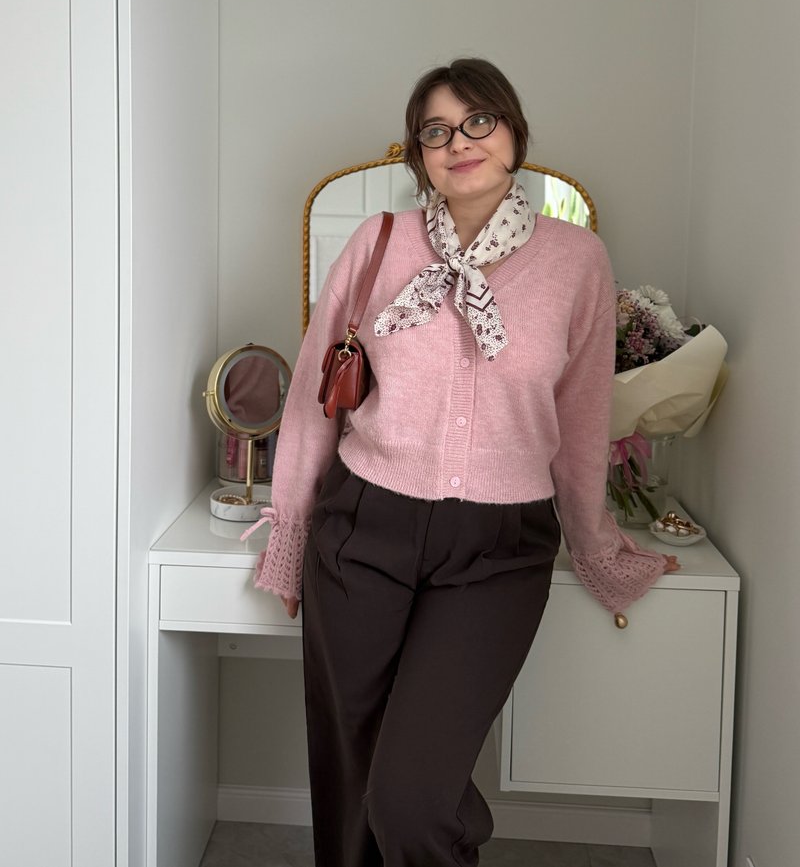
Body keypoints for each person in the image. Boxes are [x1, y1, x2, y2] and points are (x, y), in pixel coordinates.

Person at [248, 58, 679, 867]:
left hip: (496, 546)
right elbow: (314, 390)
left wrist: (592, 540)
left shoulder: (576, 260)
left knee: (410, 795)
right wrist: (291, 531)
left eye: (478, 120)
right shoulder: (378, 243)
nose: (460, 142)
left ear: (515, 131)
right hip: (362, 530)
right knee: (352, 780)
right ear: (419, 155)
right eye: (436, 131)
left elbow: (582, 420)